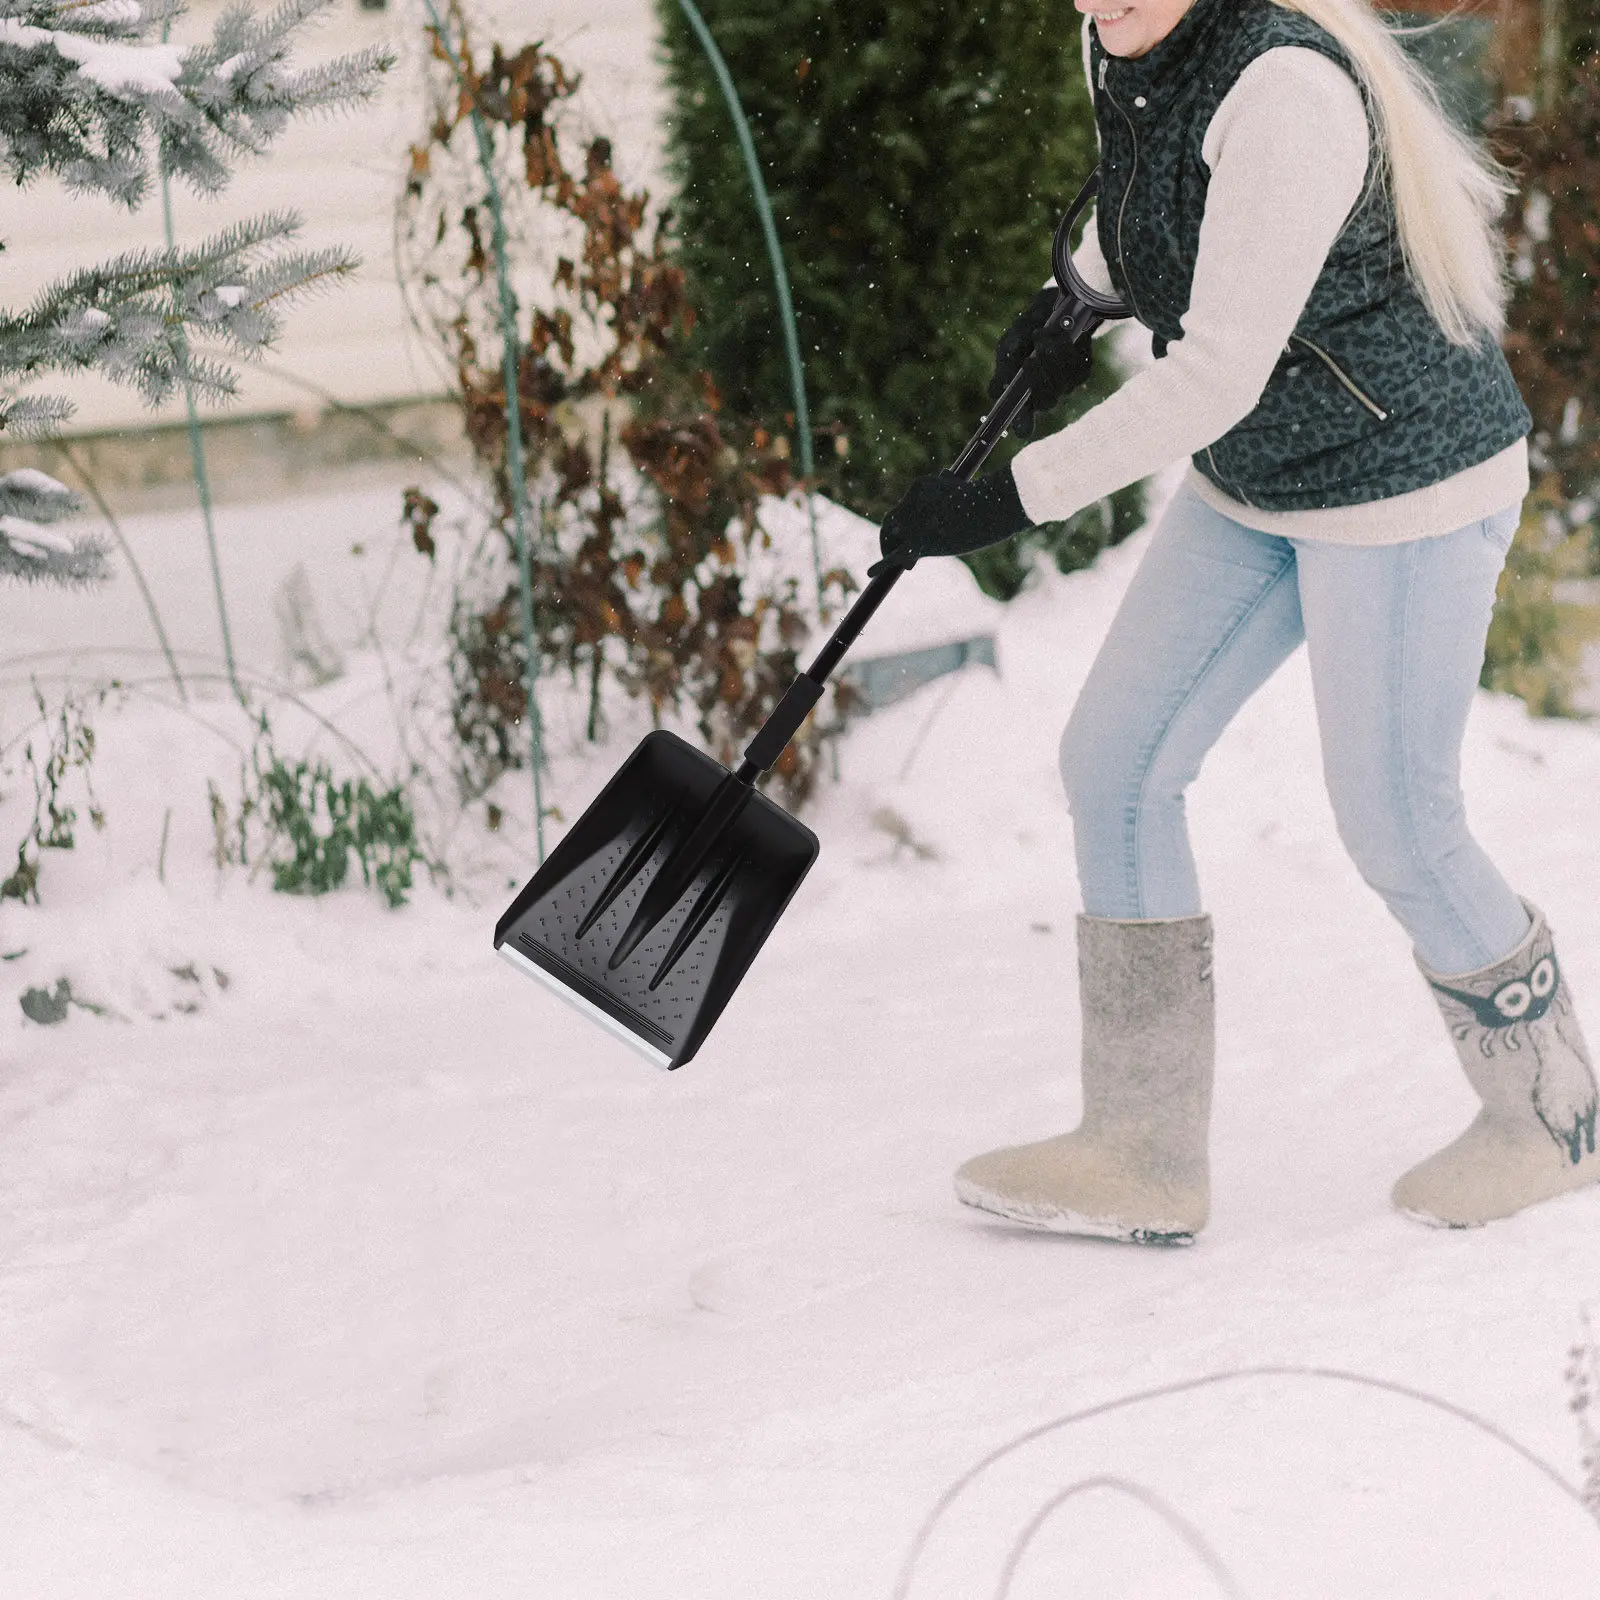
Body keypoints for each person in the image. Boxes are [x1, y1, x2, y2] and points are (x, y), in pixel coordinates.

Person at [873, 0, 1598, 1242]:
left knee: (1400, 825)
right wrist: (1077, 297)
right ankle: (1142, 1149)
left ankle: (1552, 1115)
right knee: (1116, 764)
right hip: (1259, 475)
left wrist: (1010, 495)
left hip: (1402, 480)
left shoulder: (1287, 88)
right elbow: (1161, 180)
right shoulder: (1124, 32)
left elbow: (1215, 370)